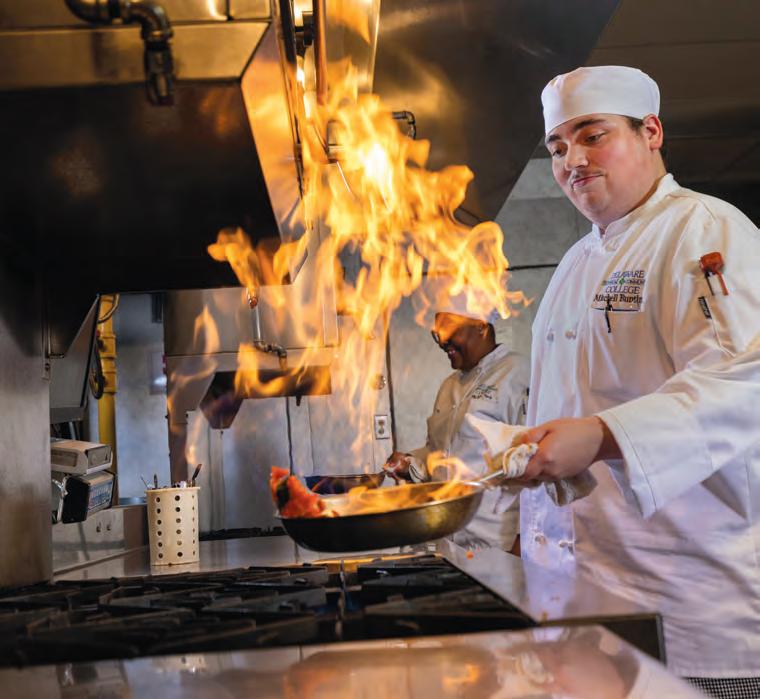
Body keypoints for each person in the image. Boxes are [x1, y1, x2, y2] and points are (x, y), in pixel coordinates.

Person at [511, 65, 759, 694]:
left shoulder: (703, 230)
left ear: (651, 132)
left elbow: (744, 382)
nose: (573, 160)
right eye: (557, 147)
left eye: (592, 136)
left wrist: (602, 435)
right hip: (586, 598)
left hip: (691, 602)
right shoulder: (576, 261)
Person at [384, 294, 529, 552]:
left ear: (481, 326)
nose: (442, 342)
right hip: (448, 543)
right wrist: (411, 463)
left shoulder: (518, 374)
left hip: (500, 546)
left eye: (449, 330)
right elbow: (440, 453)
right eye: (437, 334)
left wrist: (524, 540)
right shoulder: (449, 386)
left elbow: (536, 461)